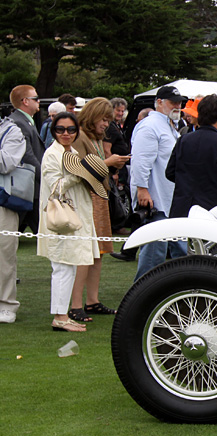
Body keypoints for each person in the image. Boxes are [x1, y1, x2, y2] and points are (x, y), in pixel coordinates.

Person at [37, 112, 100, 332]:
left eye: (71, 130)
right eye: (61, 129)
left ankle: (63, 315)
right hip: (61, 220)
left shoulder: (72, 152)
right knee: (62, 267)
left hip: (76, 218)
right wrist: (80, 173)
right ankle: (60, 317)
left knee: (70, 266)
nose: (66, 134)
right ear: (53, 131)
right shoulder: (52, 154)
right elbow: (55, 187)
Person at [67, 97, 129, 322]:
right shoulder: (79, 137)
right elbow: (79, 170)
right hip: (87, 199)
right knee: (85, 253)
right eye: (104, 119)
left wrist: (113, 163)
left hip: (99, 199)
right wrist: (109, 162)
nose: (106, 124)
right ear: (92, 116)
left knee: (99, 252)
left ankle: (92, 301)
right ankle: (75, 305)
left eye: (109, 120)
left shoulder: (93, 138)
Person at [130, 85, 189, 280]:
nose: (178, 106)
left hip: (168, 198)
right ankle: (141, 293)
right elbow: (140, 160)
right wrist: (142, 190)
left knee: (174, 248)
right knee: (155, 251)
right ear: (159, 103)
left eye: (180, 102)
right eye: (173, 102)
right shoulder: (150, 126)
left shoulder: (167, 124)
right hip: (156, 199)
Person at [165, 94, 217, 218]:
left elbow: (170, 172)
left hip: (182, 207)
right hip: (212, 210)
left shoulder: (183, 140)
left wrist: (186, 183)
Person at [1, 115, 30, 324]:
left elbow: (7, 163)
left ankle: (6, 305)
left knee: (4, 255)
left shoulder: (12, 131)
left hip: (2, 202)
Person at [7, 85, 44, 233]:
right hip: (26, 188)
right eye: (35, 98)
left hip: (29, 187)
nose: (39, 101)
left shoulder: (25, 121)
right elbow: (27, 156)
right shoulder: (19, 122)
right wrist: (46, 178)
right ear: (25, 101)